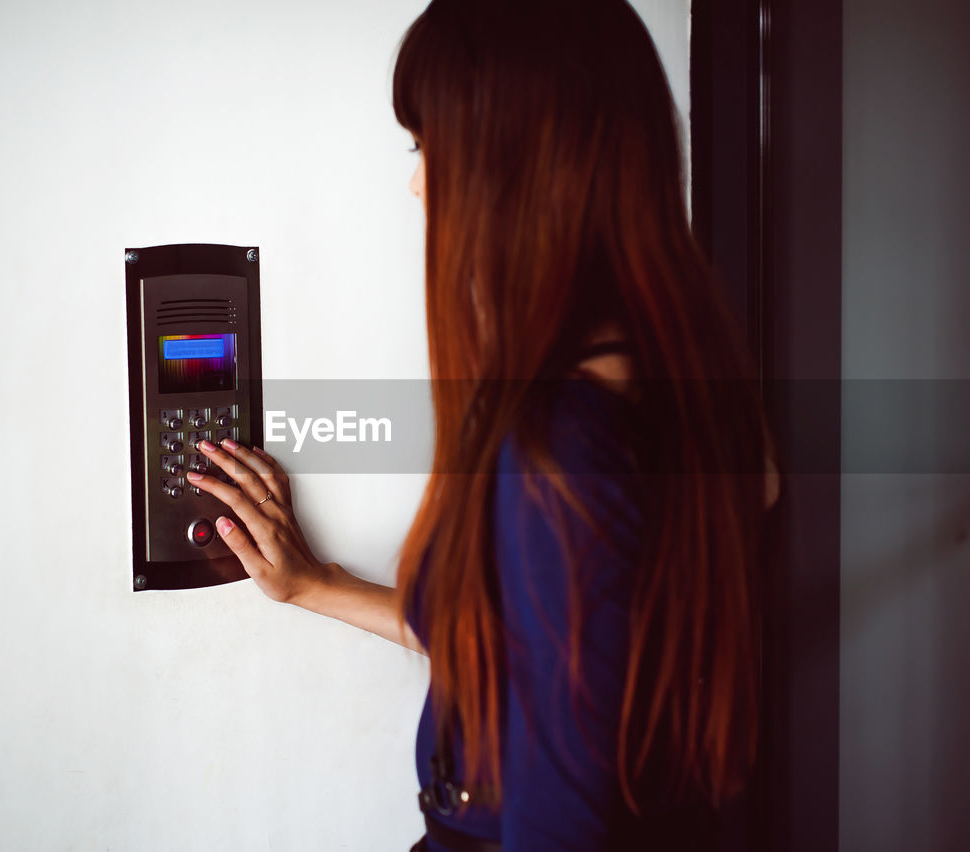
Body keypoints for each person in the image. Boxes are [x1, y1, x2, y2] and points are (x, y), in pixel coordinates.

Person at [184, 1, 781, 848]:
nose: (418, 182)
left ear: (518, 166)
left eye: (428, 147)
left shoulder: (560, 450)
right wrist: (315, 584)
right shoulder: (687, 378)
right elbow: (539, 649)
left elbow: (563, 819)